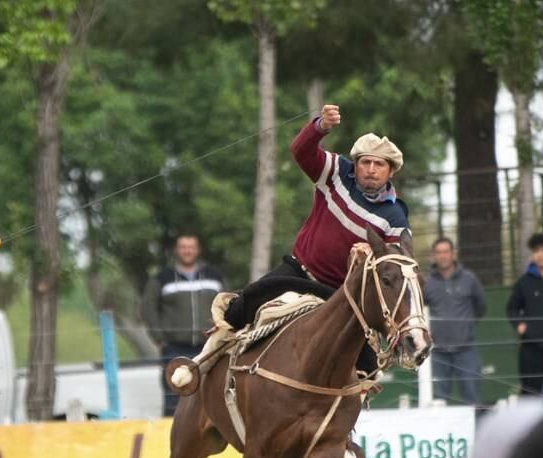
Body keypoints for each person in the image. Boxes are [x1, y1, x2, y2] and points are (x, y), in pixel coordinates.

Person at [171, 104, 410, 388]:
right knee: (240, 305)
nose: (371, 170)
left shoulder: (395, 217)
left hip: (342, 296)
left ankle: (342, 420)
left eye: (379, 164)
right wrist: (319, 126)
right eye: (365, 162)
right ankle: (201, 363)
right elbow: (301, 151)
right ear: (355, 164)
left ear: (390, 171)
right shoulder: (336, 173)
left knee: (368, 368)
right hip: (298, 271)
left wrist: (371, 253)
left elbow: (394, 265)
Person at [142, 234, 226, 416]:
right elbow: (148, 308)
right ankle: (170, 435)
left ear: (197, 250)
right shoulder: (162, 278)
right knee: (174, 394)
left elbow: (226, 303)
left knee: (212, 390)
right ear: (176, 250)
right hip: (174, 346)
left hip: (209, 345)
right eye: (183, 247)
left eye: (191, 247)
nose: (187, 251)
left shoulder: (214, 276)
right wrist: (159, 339)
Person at [423, 237, 486, 406]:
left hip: (466, 351)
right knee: (438, 404)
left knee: (471, 400)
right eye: (438, 252)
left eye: (446, 252)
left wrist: (465, 327)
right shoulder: (426, 283)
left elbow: (480, 307)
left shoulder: (469, 279)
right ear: (433, 256)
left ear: (453, 254)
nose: (442, 256)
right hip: (437, 354)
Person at [507, 233, 543, 395]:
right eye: (536, 251)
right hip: (531, 347)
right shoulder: (524, 282)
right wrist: (520, 326)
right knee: (530, 391)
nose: (540, 255)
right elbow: (512, 308)